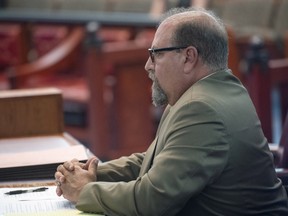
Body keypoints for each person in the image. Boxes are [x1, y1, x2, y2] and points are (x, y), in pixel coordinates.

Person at [55, 7, 288, 215]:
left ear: (189, 57)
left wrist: (85, 191)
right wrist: (92, 173)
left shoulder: (201, 109)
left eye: (156, 54)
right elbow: (154, 162)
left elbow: (150, 201)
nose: (148, 65)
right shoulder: (213, 91)